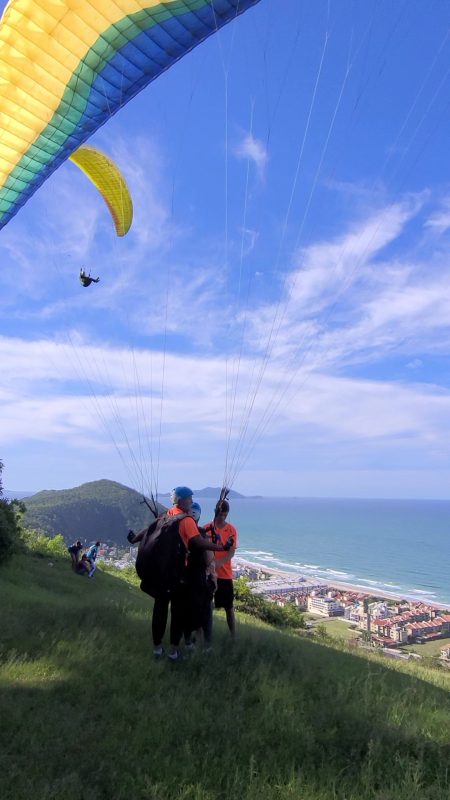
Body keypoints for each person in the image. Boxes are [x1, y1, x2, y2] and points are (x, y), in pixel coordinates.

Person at [131, 486, 233, 661]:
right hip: (176, 575)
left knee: (160, 608)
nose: (192, 501)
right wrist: (221, 546)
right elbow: (198, 542)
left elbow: (148, 530)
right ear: (182, 500)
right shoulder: (186, 520)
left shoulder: (166, 515)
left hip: (161, 573)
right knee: (178, 612)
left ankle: (157, 649)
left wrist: (134, 539)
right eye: (190, 498)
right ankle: (173, 652)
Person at [185, 502, 217, 650]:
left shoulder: (181, 532)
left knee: (187, 610)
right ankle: (207, 645)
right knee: (206, 611)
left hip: (185, 579)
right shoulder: (202, 535)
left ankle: (189, 641)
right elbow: (209, 558)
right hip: (200, 580)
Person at [206, 499, 238, 637]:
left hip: (225, 575)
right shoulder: (207, 528)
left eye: (225, 515)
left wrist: (218, 563)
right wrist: (210, 564)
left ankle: (233, 636)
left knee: (229, 607)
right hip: (209, 575)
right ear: (215, 512)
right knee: (206, 606)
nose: (222, 517)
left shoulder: (231, 530)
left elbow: (231, 553)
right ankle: (205, 635)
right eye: (220, 514)